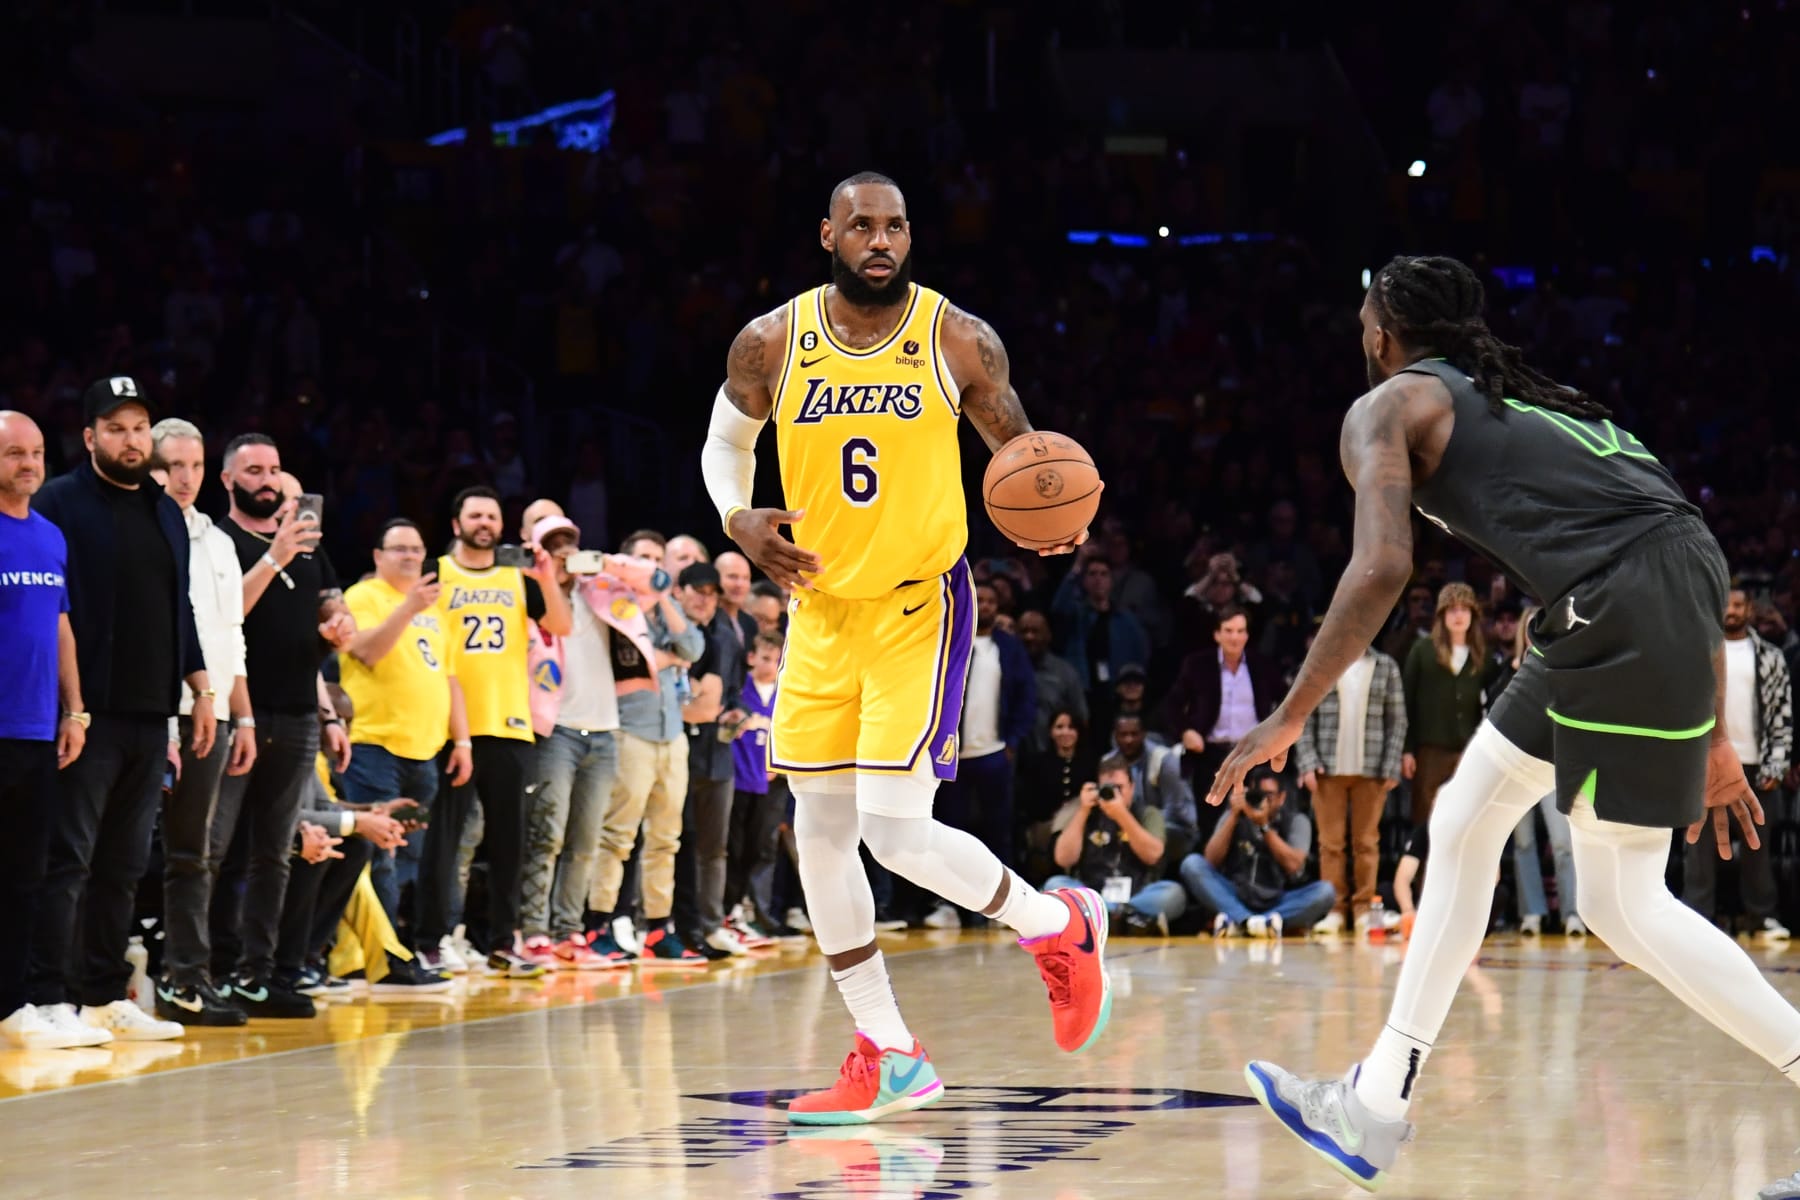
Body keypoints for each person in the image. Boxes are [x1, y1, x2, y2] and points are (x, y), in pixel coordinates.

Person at [1212, 255, 1800, 1189]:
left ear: (1380, 333)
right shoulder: (1538, 398)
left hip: (1622, 604)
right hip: (1641, 593)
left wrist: (1288, 717)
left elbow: (1379, 568)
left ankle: (1378, 1106)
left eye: (1364, 316)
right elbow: (1675, 535)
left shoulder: (1388, 406)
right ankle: (1376, 1104)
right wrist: (1709, 729)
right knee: (1468, 818)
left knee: (1628, 898)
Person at [703, 171, 1109, 1124]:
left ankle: (1058, 924)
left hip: (918, 605)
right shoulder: (771, 340)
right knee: (819, 831)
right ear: (828, 236)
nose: (878, 240)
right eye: (860, 226)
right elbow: (726, 443)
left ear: (909, 235)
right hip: (818, 608)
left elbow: (1023, 460)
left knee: (893, 831)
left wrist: (1049, 523)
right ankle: (890, 1051)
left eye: (892, 226)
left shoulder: (957, 337)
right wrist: (737, 519)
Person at [28, 377, 216, 1045]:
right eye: (115, 428)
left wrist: (201, 691)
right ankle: (48, 996)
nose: (130, 439)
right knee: (68, 858)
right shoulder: (57, 504)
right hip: (84, 715)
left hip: (150, 712)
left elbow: (182, 610)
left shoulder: (166, 510)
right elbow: (46, 612)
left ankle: (106, 995)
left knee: (124, 863)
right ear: (89, 438)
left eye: (139, 427)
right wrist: (68, 707)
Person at [210, 438, 355, 1018]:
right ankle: (211, 968)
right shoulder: (220, 542)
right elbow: (226, 616)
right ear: (227, 479)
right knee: (217, 849)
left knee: (276, 851)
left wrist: (338, 625)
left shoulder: (305, 542)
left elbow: (329, 610)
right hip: (238, 711)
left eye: (274, 469)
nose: (267, 480)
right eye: (254, 470)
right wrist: (273, 555)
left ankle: (259, 973)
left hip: (297, 711)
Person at [417, 485, 571, 977]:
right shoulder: (437, 575)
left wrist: (546, 578)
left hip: (509, 724)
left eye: (492, 515)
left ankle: (505, 942)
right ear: (457, 524)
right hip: (451, 725)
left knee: (509, 842)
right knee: (446, 841)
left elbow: (562, 626)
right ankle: (434, 938)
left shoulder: (517, 577)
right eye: (475, 515)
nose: (485, 522)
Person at [147, 419, 258, 1026]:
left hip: (211, 713)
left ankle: (187, 979)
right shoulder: (144, 532)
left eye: (194, 466)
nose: (184, 478)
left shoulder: (216, 539)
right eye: (172, 466)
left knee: (197, 853)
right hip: (156, 711)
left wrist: (242, 716)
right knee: (124, 852)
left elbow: (228, 636)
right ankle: (102, 984)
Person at [0, 411, 95, 1049]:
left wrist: (76, 709)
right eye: (13, 453)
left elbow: (61, 626)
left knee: (25, 874)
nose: (29, 464)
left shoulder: (51, 538)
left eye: (35, 452)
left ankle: (13, 1005)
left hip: (37, 730)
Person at [339, 518, 472, 933]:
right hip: (374, 746)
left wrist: (463, 741)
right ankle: (378, 953)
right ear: (378, 556)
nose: (411, 556)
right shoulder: (362, 596)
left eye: (417, 549)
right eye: (400, 549)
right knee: (377, 856)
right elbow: (366, 652)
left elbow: (449, 677)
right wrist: (409, 607)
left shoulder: (436, 611)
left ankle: (402, 943)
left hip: (424, 751)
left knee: (412, 857)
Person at [586, 529, 708, 967]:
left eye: (658, 559)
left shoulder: (664, 606)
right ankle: (598, 923)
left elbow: (693, 646)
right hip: (631, 731)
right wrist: (671, 657)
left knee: (666, 839)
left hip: (671, 734)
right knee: (618, 836)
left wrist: (668, 607)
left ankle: (658, 928)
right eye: (642, 558)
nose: (651, 566)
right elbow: (642, 661)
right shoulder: (612, 605)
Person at [1681, 585, 1793, 941]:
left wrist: (1776, 766)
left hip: (1754, 764)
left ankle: (1761, 917)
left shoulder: (1770, 657)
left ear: (1749, 610)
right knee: (1699, 847)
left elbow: (1782, 717)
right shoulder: (1700, 651)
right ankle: (1698, 917)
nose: (1731, 610)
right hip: (1706, 763)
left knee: (1757, 846)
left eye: (1738, 604)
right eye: (1726, 603)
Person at [932, 580, 1035, 917]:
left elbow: (1025, 697)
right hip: (952, 755)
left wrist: (1012, 743)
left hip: (994, 752)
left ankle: (1002, 906)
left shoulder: (1009, 647)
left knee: (998, 828)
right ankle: (950, 905)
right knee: (950, 829)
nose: (986, 605)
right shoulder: (949, 640)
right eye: (981, 599)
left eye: (992, 600)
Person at [1294, 644, 1407, 936]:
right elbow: (1301, 715)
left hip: (1371, 769)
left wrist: (1391, 764)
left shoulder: (1386, 666)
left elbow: (1397, 720)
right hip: (1327, 768)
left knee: (1367, 843)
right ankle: (1333, 909)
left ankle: (1364, 908)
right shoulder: (1320, 662)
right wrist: (1307, 762)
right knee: (1330, 845)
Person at [672, 561, 748, 957]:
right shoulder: (666, 629)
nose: (704, 599)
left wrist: (730, 708)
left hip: (717, 754)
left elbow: (718, 699)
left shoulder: (724, 637)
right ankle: (672, 924)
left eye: (710, 592)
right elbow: (691, 706)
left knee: (714, 846)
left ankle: (711, 922)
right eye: (696, 590)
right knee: (676, 841)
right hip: (677, 750)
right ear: (679, 591)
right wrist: (697, 701)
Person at [1180, 767, 1335, 938]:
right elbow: (1211, 859)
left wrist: (1264, 827)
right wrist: (1233, 817)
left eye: (1269, 795)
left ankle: (1242, 921)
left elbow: (1294, 865)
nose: (1263, 800)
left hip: (1278, 899)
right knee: (1192, 864)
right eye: (1258, 793)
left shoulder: (1296, 821)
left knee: (1325, 892)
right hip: (1236, 893)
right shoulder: (1235, 813)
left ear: (1282, 798)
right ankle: (1252, 921)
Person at [1045, 756, 1187, 936]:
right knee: (1055, 885)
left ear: (1132, 787)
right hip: (1092, 894)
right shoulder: (1086, 812)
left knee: (1174, 893)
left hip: (1138, 894)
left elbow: (1153, 855)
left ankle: (1110, 916)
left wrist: (1122, 815)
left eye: (1119, 788)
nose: (1114, 794)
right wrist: (1082, 811)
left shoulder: (1147, 813)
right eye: (1107, 788)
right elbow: (1063, 859)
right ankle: (1124, 917)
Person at [1402, 583, 1503, 827]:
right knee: (1427, 820)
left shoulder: (1484, 656)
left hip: (1470, 750)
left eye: (1464, 609)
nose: (1458, 616)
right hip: (1430, 750)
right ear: (1441, 615)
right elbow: (1407, 702)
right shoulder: (1422, 651)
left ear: (1473, 615)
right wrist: (1407, 749)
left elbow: (1497, 702)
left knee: (1467, 819)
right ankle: (1426, 866)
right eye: (1452, 610)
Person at [1163, 605, 1280, 796]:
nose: (1234, 637)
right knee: (1211, 817)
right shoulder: (1197, 665)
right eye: (1228, 631)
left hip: (1253, 754)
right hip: (1211, 755)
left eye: (1240, 631)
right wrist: (1185, 731)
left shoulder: (1261, 665)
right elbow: (1172, 704)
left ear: (1247, 636)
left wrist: (1274, 734)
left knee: (1253, 816)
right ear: (1217, 634)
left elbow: (1284, 699)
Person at [725, 631, 790, 938]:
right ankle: (732, 910)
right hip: (738, 781)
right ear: (751, 658)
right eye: (765, 658)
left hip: (771, 785)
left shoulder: (786, 695)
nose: (771, 665)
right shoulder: (738, 690)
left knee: (762, 850)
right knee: (733, 848)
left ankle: (757, 913)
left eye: (777, 660)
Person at [1017, 610, 1087, 754]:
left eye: (1035, 631)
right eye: (1024, 631)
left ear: (1048, 635)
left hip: (1053, 756)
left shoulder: (1065, 673)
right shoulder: (1006, 670)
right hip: (1013, 757)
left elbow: (1081, 718)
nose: (1029, 637)